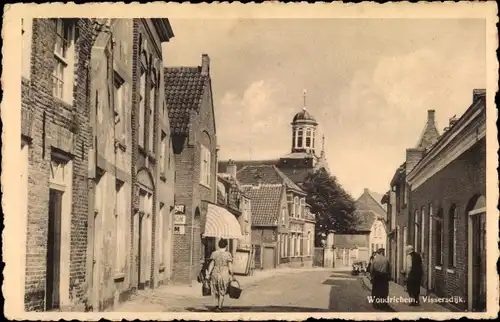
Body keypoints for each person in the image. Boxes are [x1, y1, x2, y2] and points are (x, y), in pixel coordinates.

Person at [206, 238, 235, 312]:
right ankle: (219, 306)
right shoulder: (228, 254)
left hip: (215, 273)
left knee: (216, 289)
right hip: (224, 273)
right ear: (226, 246)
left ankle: (218, 305)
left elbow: (211, 264)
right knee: (222, 290)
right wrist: (232, 275)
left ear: (218, 245)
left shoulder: (214, 253)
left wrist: (208, 274)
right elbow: (230, 266)